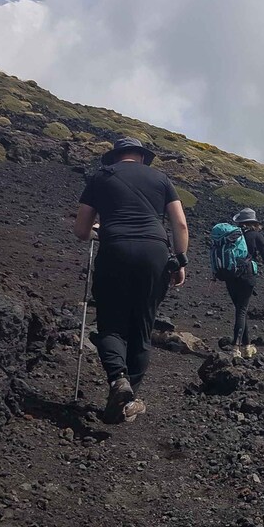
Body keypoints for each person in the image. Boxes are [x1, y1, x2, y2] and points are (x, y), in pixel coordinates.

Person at [73, 137, 189, 424]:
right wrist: (181, 259)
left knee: (111, 322)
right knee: (142, 325)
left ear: (116, 156)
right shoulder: (161, 179)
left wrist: (100, 230)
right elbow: (180, 223)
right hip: (156, 254)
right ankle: (129, 402)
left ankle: (117, 381)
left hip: (116, 250)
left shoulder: (101, 176)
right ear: (141, 157)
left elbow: (80, 229)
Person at [224, 208, 264, 359]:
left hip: (230, 275)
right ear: (254, 222)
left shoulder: (233, 235)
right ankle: (236, 348)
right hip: (246, 276)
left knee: (240, 310)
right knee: (242, 311)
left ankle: (248, 346)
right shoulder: (256, 235)